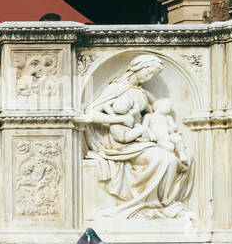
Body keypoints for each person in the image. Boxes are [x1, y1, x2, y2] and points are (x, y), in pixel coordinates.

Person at [81, 54, 191, 218]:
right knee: (166, 159)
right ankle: (154, 203)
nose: (150, 77)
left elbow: (155, 112)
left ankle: (162, 203)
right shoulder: (116, 88)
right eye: (149, 72)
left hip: (139, 140)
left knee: (173, 158)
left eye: (154, 74)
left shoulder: (142, 93)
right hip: (121, 143)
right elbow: (90, 114)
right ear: (137, 67)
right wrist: (118, 119)